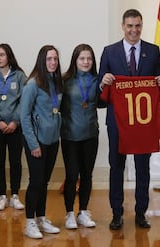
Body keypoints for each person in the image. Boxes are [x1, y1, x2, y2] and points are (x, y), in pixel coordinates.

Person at [98, 9, 160, 230]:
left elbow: (158, 88)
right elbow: (101, 90)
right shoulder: (109, 52)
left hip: (143, 122)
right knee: (116, 166)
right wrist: (104, 82)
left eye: (137, 26)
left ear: (141, 26)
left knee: (142, 167)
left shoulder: (153, 52)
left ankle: (140, 213)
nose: (134, 30)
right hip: (117, 121)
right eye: (130, 26)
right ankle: (117, 213)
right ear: (123, 26)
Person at [21, 45, 63, 239]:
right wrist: (33, 144)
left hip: (53, 140)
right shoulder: (32, 84)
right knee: (36, 181)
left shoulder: (55, 82)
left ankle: (41, 218)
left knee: (44, 182)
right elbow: (24, 116)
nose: (53, 62)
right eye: (49, 59)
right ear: (41, 61)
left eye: (55, 59)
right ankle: (29, 221)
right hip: (36, 141)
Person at [0, 43, 26, 211]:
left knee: (15, 161)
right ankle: (2, 195)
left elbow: (24, 100)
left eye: (2, 54)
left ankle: (14, 195)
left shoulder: (20, 76)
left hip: (15, 126)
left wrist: (15, 121)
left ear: (9, 56)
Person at [61, 44, 99, 229]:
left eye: (89, 59)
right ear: (75, 60)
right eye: (82, 58)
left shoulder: (98, 80)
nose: (86, 62)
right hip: (70, 136)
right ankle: (69, 213)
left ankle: (83, 211)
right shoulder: (65, 80)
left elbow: (106, 102)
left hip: (91, 135)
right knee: (71, 175)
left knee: (87, 175)